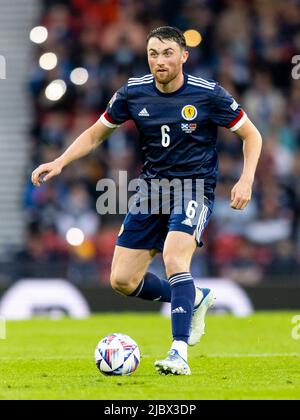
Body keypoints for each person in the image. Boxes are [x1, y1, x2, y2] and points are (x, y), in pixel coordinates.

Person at [32, 26, 262, 375]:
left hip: (194, 188)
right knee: (122, 280)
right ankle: (194, 298)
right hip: (151, 192)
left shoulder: (208, 94)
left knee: (173, 257)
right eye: (153, 53)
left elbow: (251, 134)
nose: (159, 60)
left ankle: (178, 353)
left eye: (168, 52)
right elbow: (97, 132)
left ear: (184, 56)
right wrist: (60, 161)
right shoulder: (133, 93)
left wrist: (246, 179)